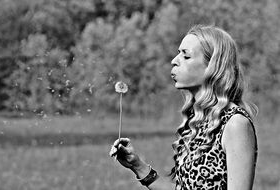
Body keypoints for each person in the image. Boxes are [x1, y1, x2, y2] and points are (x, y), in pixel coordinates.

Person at [109, 25, 258, 190]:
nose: (174, 60)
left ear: (213, 67)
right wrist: (137, 166)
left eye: (186, 56)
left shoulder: (235, 124)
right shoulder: (199, 122)